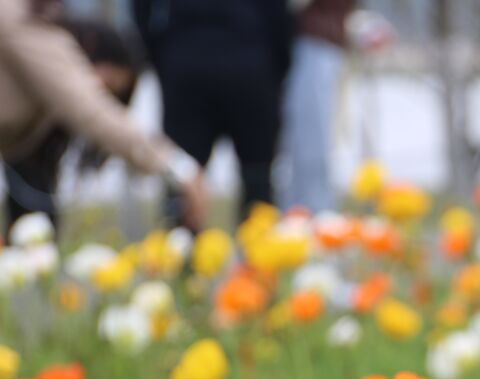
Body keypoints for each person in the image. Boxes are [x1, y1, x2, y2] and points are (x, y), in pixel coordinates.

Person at [0, 0, 205, 231]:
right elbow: (93, 112)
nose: (96, 90)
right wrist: (179, 167)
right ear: (91, 46)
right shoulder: (28, 25)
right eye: (105, 87)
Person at [133, 0, 293, 221]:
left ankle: (182, 250)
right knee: (187, 181)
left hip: (189, 59)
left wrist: (161, 52)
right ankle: (184, 250)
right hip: (247, 61)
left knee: (188, 176)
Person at [281, 1, 393, 214]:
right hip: (304, 54)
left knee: (321, 147)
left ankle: (315, 217)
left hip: (326, 53)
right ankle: (305, 218)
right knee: (308, 151)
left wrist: (360, 26)